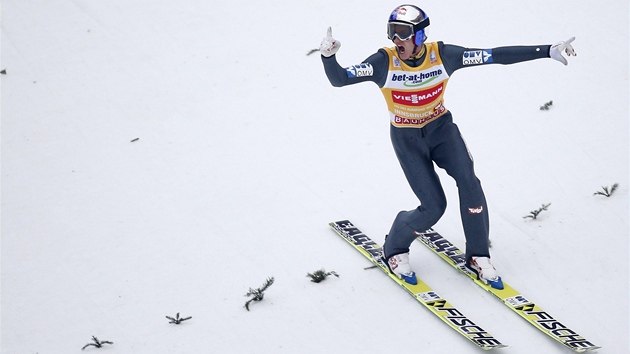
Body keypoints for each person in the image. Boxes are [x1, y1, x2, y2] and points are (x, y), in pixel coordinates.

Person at [320, 4, 576, 289]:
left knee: (470, 185)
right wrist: (328, 56)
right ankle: (395, 247)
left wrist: (546, 50)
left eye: (403, 33)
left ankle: (479, 255)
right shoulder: (384, 61)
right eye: (393, 33)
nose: (397, 40)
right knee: (433, 207)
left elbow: (495, 56)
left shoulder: (443, 55)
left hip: (442, 131)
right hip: (408, 139)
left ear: (420, 35)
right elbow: (340, 79)